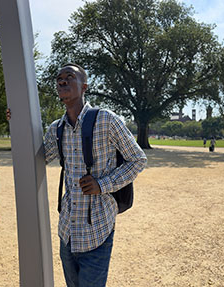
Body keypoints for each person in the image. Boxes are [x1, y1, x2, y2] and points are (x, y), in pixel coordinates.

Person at [40, 63, 146, 286]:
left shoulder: (106, 120)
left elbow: (138, 160)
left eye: (70, 76)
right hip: (67, 231)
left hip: (97, 231)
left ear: (84, 86)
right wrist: (15, 120)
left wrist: (103, 184)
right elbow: (36, 158)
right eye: (59, 78)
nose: (63, 81)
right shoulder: (56, 129)